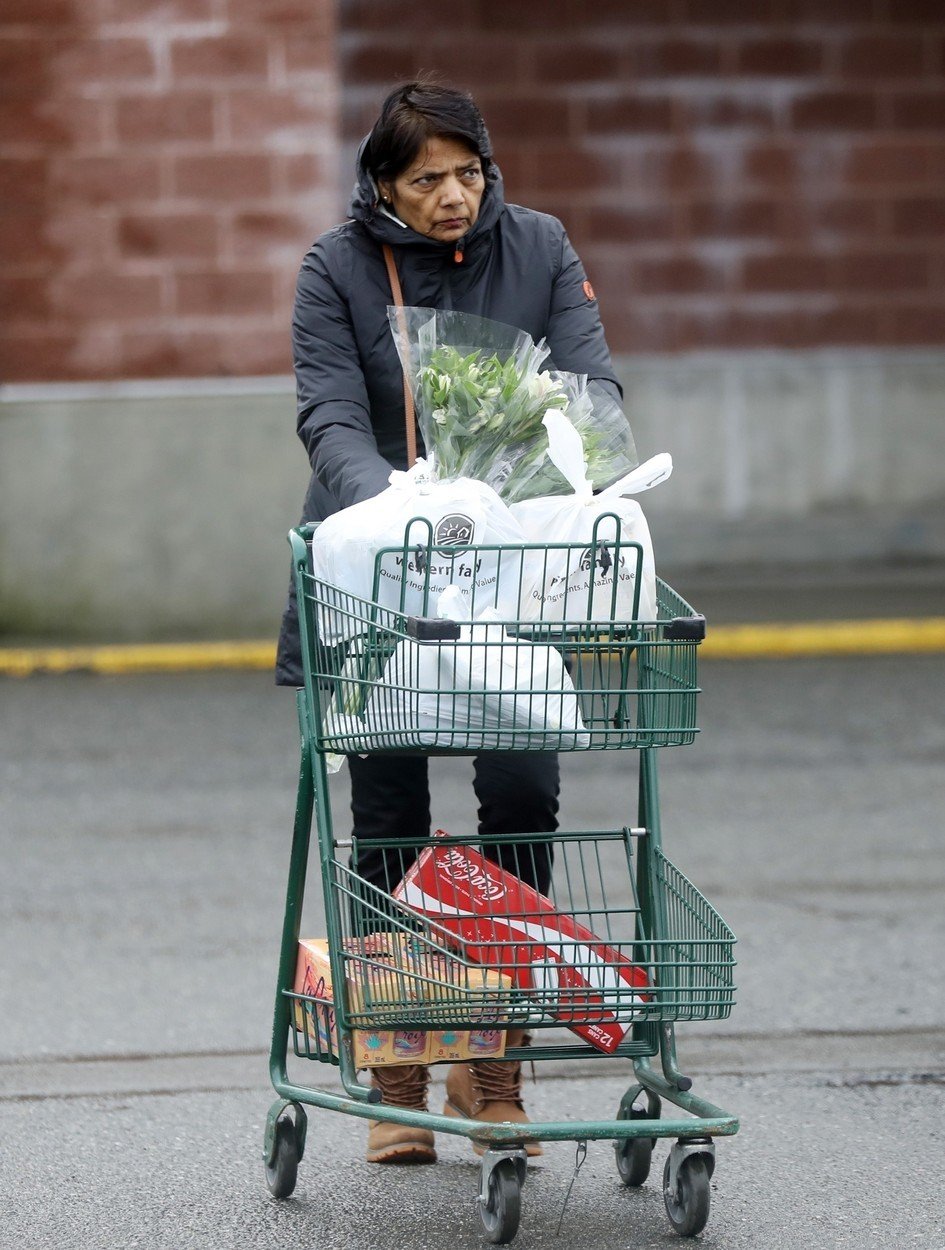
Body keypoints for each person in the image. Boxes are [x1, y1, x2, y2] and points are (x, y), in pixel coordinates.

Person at [276, 80, 623, 1165]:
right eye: (426, 178)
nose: (453, 195)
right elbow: (328, 407)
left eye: (467, 171)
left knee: (523, 791)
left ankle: (495, 1066)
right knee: (387, 808)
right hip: (381, 562)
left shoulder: (542, 246)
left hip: (510, 568)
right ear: (383, 183)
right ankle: (396, 1065)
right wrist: (391, 499)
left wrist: (566, 473)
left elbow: (586, 385)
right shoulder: (335, 269)